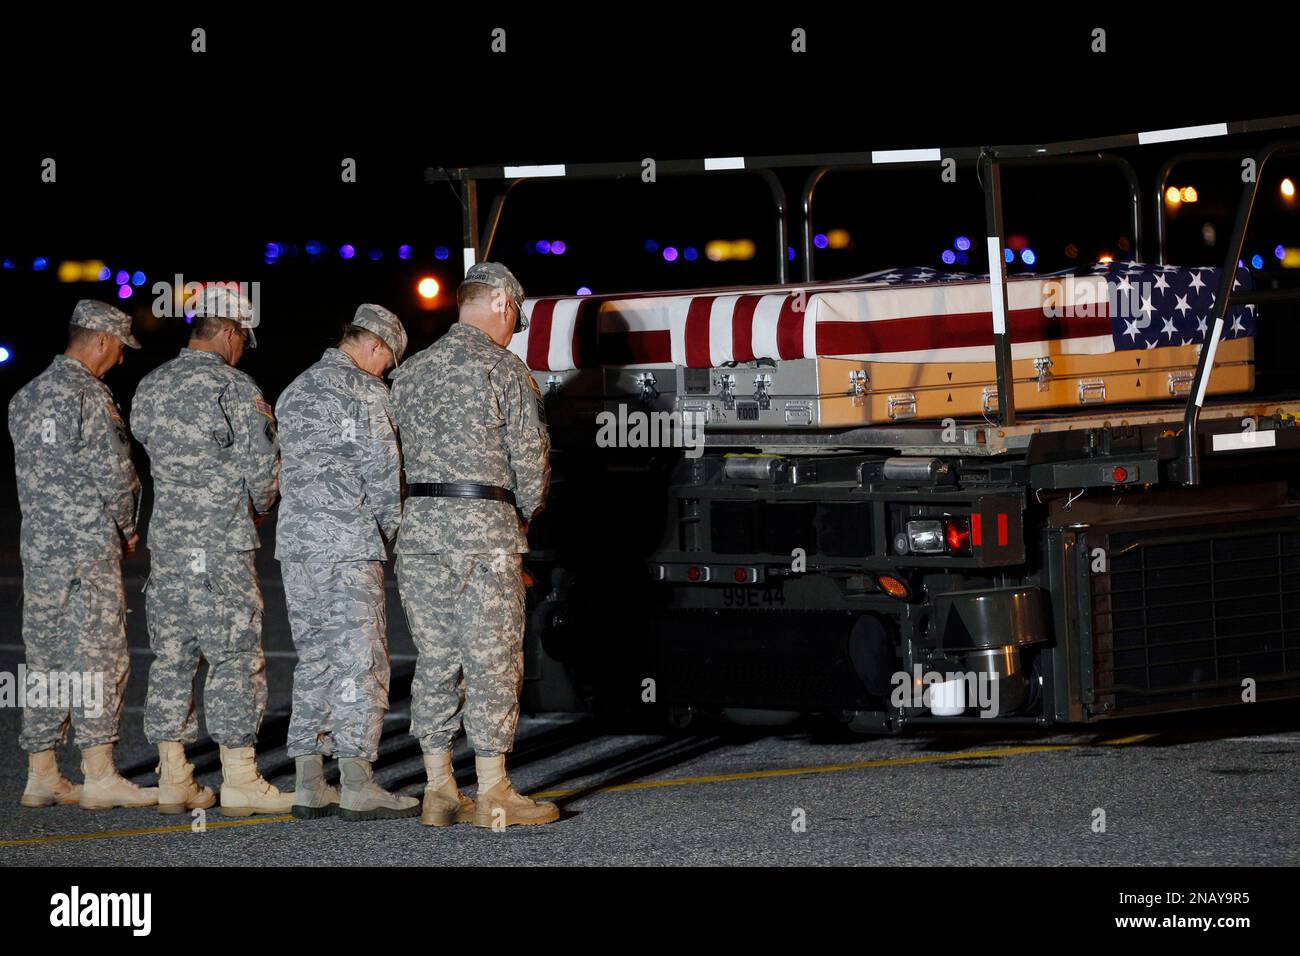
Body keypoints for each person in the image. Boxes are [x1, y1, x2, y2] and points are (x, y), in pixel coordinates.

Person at [391, 262, 556, 828]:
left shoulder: (407, 372)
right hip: (484, 529)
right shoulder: (504, 369)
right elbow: (530, 462)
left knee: (436, 658)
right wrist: (524, 517)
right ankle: (494, 791)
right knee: (492, 659)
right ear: (504, 305)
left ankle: (438, 788)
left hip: (419, 532)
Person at [131, 285, 290, 816]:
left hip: (170, 544)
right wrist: (259, 505)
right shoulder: (234, 387)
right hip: (220, 543)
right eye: (243, 338)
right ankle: (240, 776)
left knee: (172, 656)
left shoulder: (150, 387)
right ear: (228, 333)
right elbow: (264, 470)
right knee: (234, 656)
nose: (243, 348)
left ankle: (173, 775)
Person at [7, 300, 155, 810]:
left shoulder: (24, 397)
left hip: (41, 549)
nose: (119, 360)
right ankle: (98, 774)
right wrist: (129, 529)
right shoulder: (90, 397)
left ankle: (41, 772)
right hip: (88, 545)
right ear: (98, 340)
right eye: (118, 349)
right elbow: (117, 473)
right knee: (99, 654)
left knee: (46, 658)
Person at [276, 304, 414, 821]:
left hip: (298, 546)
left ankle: (310, 782)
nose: (386, 371)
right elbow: (383, 475)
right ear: (375, 346)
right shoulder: (367, 394)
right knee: (360, 660)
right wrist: (398, 534)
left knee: (315, 658)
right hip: (348, 545)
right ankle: (357, 781)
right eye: (388, 360)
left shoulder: (293, 389)